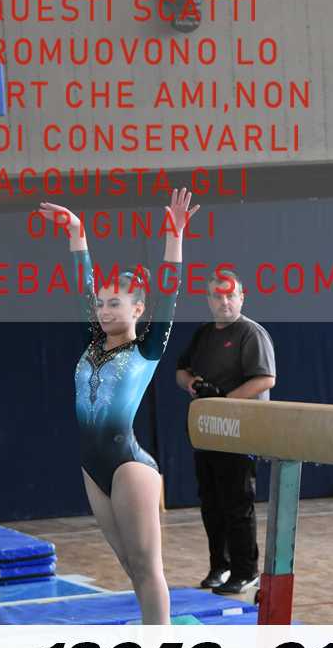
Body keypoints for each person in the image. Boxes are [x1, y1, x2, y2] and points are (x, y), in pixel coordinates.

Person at [40, 189, 200, 625]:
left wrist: (174, 235)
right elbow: (82, 284)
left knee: (147, 568)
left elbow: (170, 289)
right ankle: (154, 632)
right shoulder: (92, 341)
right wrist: (77, 232)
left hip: (129, 467)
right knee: (131, 567)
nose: (104, 310)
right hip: (92, 467)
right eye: (101, 303)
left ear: (139, 309)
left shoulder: (148, 348)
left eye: (115, 303)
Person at [176, 271, 276, 595]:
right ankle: (220, 565)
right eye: (217, 296)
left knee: (237, 503)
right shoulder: (204, 334)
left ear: (242, 297)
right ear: (208, 300)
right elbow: (181, 371)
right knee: (212, 503)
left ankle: (246, 571)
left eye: (230, 295)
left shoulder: (251, 333)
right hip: (208, 431)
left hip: (239, 431)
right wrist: (191, 383)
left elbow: (265, 379)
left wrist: (225, 402)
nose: (224, 302)